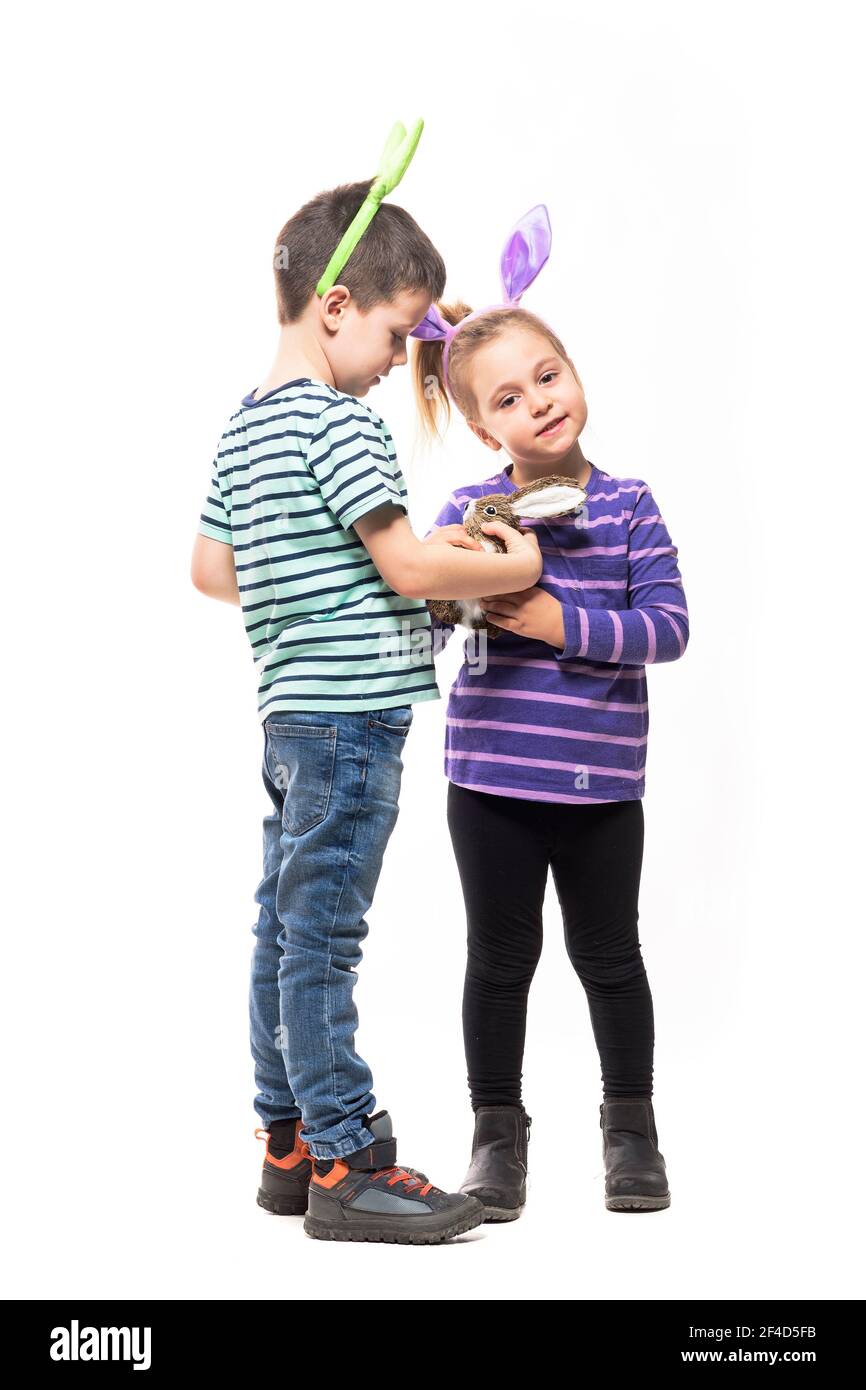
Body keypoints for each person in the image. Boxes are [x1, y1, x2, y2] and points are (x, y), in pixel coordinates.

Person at [189, 155, 542, 1244]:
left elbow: (212, 568)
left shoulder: (247, 422)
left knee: (282, 926)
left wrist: (321, 572)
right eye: (398, 335)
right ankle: (345, 1163)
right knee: (324, 940)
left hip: (290, 716)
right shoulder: (342, 425)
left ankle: (285, 1142)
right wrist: (510, 567)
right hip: (351, 724)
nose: (399, 363)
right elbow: (408, 573)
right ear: (336, 306)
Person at [411, 204, 690, 1218]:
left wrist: (551, 618)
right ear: (484, 428)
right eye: (506, 398)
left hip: (602, 787)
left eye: (547, 376)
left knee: (608, 957)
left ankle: (631, 1131)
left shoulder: (628, 507)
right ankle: (496, 1136)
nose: (536, 403)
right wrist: (439, 596)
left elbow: (665, 627)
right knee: (498, 959)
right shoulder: (467, 516)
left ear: (573, 376)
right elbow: (424, 633)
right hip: (487, 784)